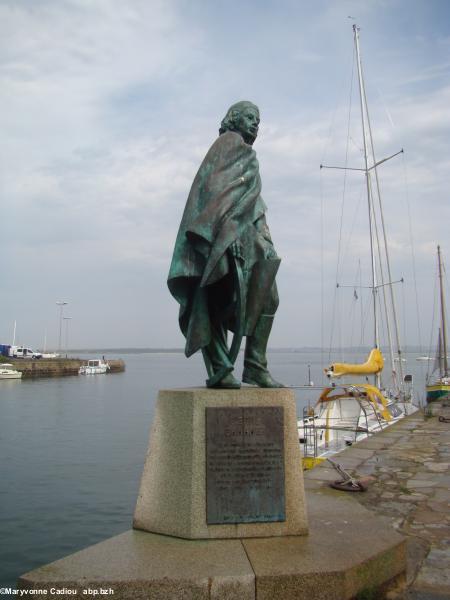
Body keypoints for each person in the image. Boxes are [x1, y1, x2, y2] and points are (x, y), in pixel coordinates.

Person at [168, 101, 283, 389]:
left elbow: (250, 202)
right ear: (233, 119)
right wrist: (227, 236)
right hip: (228, 238)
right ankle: (224, 366)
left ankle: (254, 366)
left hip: (246, 237)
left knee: (265, 298)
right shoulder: (227, 143)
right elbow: (218, 194)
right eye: (248, 117)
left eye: (258, 119)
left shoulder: (245, 152)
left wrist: (265, 239)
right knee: (214, 297)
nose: (255, 123)